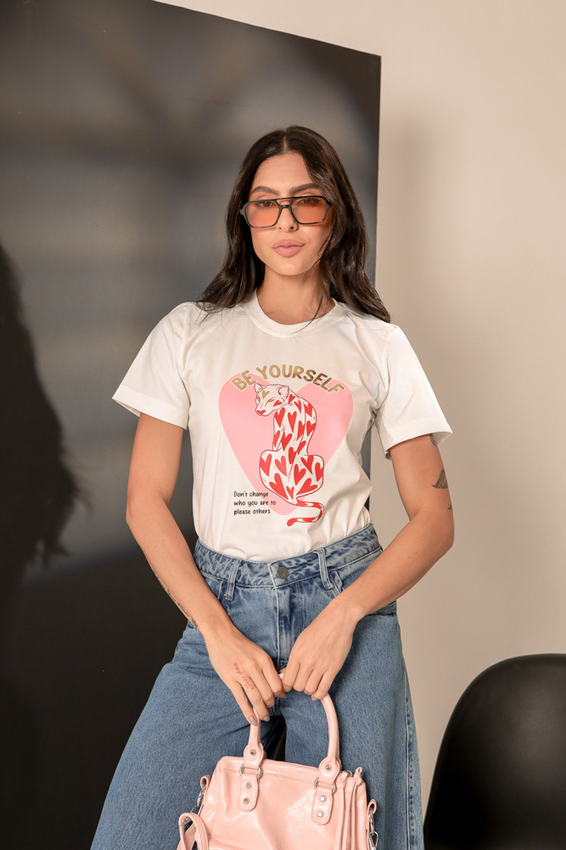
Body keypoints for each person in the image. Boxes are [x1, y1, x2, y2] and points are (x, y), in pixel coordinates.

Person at [91, 126, 453, 850]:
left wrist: (345, 615)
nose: (286, 222)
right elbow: (144, 502)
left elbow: (434, 518)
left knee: (351, 834)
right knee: (131, 832)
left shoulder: (377, 343)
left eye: (305, 202)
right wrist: (217, 634)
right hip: (223, 608)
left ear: (335, 212)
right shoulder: (190, 333)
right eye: (266, 203)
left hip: (344, 608)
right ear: (245, 216)